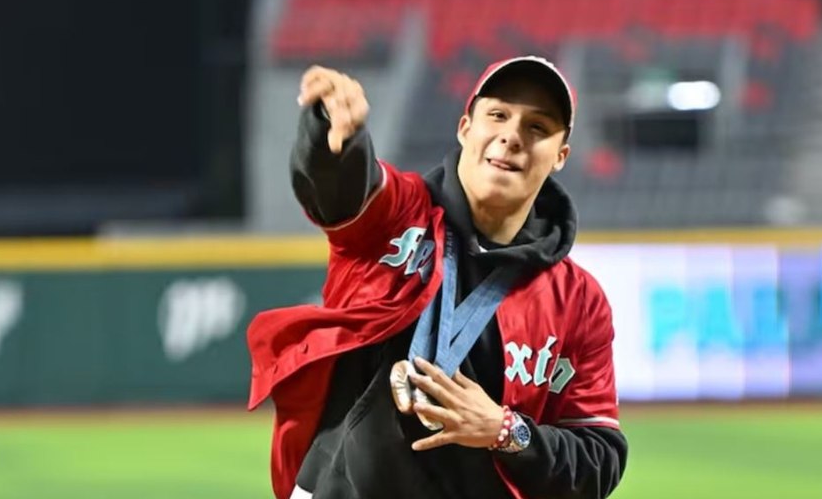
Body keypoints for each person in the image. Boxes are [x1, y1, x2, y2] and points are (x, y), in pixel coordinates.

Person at [247, 56, 628, 499]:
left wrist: (505, 430)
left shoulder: (578, 301)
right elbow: (343, 186)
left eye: (538, 128)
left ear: (560, 155)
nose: (511, 136)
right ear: (465, 128)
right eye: (498, 115)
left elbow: (599, 458)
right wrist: (336, 135)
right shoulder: (399, 217)